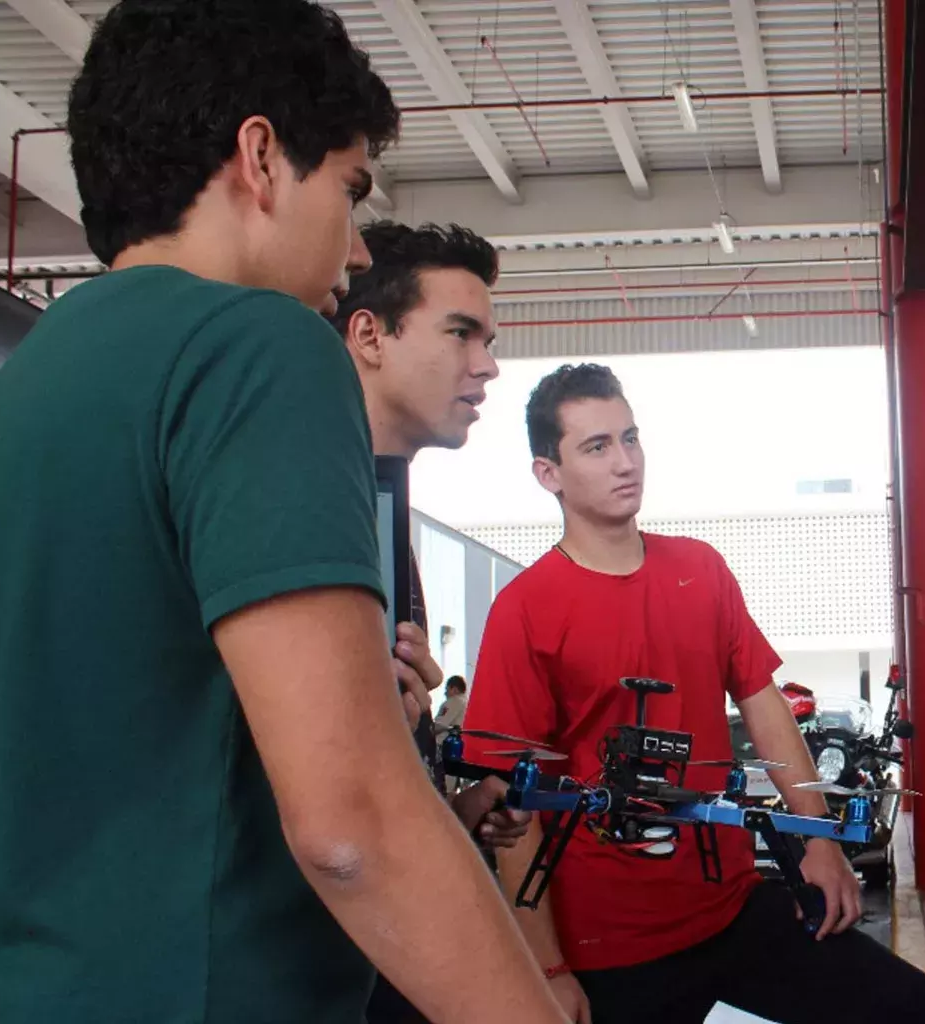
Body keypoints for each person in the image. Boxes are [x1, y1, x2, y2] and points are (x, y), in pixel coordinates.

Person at [0, 3, 565, 1022]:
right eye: (348, 191)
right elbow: (354, 827)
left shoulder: (30, 381)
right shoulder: (258, 345)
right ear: (259, 156)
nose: (352, 251)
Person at [465, 363, 925, 1024]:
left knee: (913, 1007)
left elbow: (766, 706)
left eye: (630, 438)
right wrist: (547, 970)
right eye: (597, 446)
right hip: (609, 948)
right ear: (548, 473)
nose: (625, 461)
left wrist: (820, 841)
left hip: (729, 907)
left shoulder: (700, 570)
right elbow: (514, 807)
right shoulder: (525, 611)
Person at [330, 219, 533, 1023]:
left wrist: (457, 813)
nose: (486, 365)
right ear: (370, 334)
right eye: (461, 333)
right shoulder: (316, 510)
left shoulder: (384, 519)